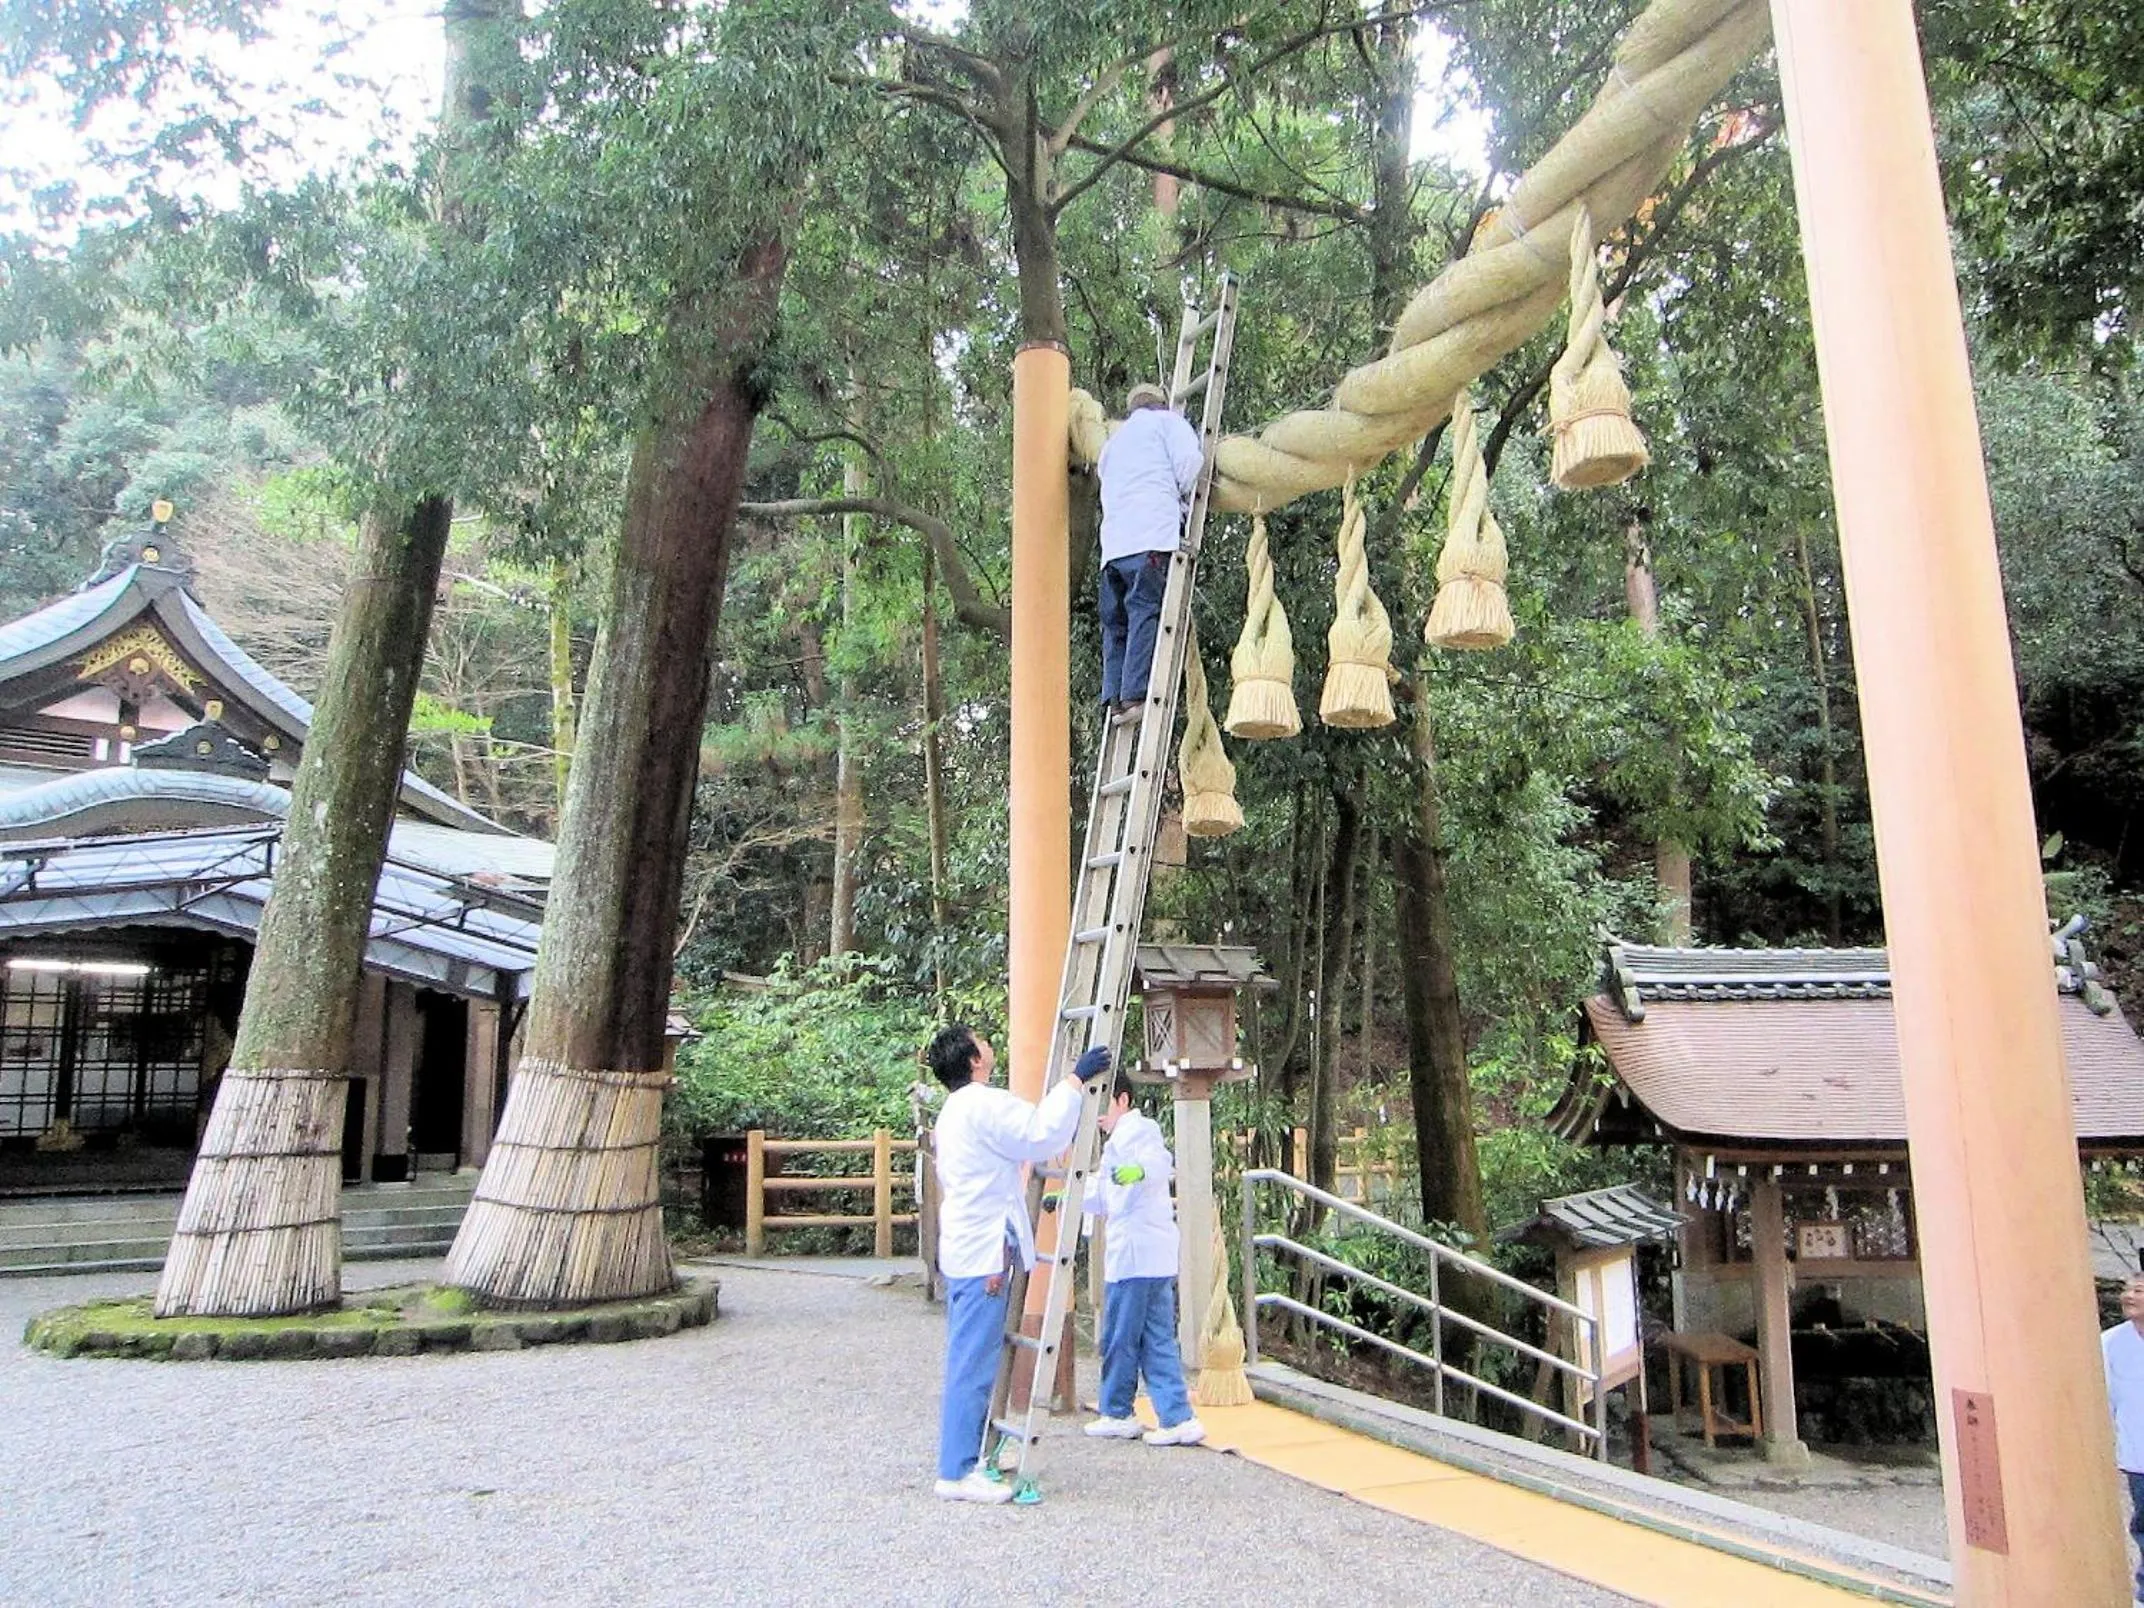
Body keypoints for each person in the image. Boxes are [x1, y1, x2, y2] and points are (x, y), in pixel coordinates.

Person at [925, 1023, 1112, 1504]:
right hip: (983, 1248)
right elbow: (1039, 1134)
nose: (989, 1045)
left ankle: (971, 1455)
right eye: (982, 1041)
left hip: (972, 1243)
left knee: (975, 1357)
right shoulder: (982, 1104)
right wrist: (1074, 1081)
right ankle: (956, 1470)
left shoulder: (955, 1110)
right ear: (974, 1060)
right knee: (972, 1362)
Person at [1081, 1073, 1204, 1447]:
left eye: (1101, 1102)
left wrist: (1138, 1172)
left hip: (1135, 1256)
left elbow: (1158, 1163)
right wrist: (1071, 1198)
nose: (1097, 1113)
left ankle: (1118, 1411)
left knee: (1121, 1337)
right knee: (1156, 1338)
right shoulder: (1118, 1140)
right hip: (1150, 1255)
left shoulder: (1139, 1129)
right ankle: (1177, 1416)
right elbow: (1105, 1191)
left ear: (1122, 1100)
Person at [1096, 381, 1203, 718]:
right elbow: (1190, 463)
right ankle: (1135, 695)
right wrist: (1180, 496)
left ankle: (1114, 699)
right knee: (1144, 610)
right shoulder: (1168, 423)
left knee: (1116, 624)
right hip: (1151, 536)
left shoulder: (1113, 443)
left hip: (1113, 548)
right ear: (1161, 404)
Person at [2105, 1273, 2144, 1601]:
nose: (2129, 1296)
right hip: (2138, 1455)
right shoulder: (2110, 1344)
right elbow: (2102, 1400)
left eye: (2139, 1291)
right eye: (2127, 1289)